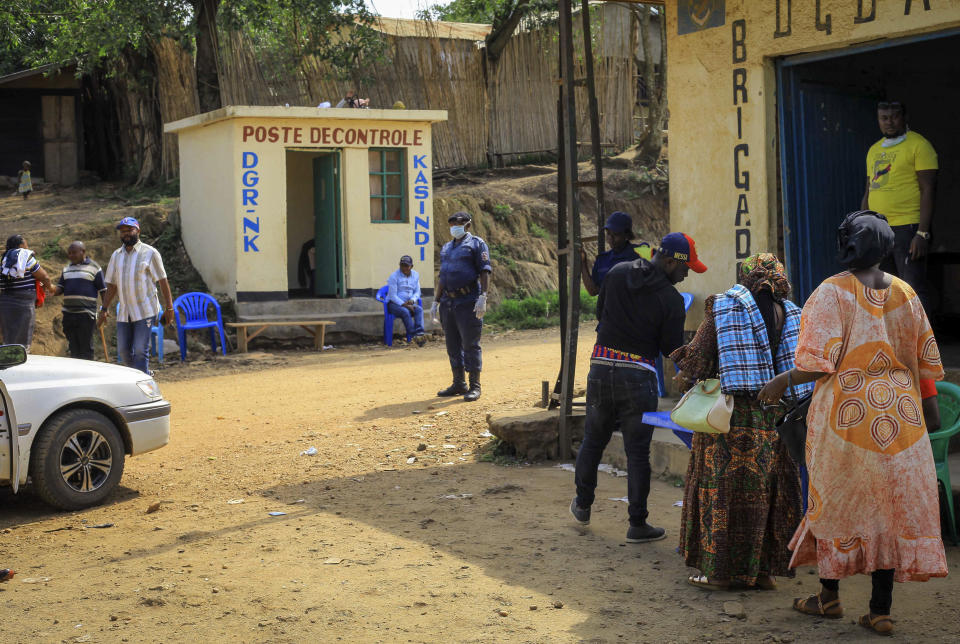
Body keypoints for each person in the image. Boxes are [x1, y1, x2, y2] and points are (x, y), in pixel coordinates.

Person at [758, 211, 945, 637]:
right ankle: (880, 610)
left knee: (835, 504)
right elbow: (925, 363)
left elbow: (814, 364)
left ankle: (828, 597)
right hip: (902, 423)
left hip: (846, 422)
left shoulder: (831, 293)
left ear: (846, 245)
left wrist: (780, 381)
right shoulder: (905, 292)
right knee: (888, 512)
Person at [672, 253, 812, 591]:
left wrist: (683, 376)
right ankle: (762, 573)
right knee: (769, 495)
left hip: (731, 420)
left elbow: (700, 358)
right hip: (775, 419)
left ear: (746, 277)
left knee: (723, 496)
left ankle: (720, 574)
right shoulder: (793, 313)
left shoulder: (724, 306)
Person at [570, 232, 706, 543]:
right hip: (639, 378)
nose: (685, 276)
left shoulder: (617, 274)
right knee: (637, 453)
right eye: (685, 269)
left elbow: (599, 314)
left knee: (593, 440)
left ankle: (582, 505)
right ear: (670, 261)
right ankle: (637, 524)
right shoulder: (671, 300)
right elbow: (670, 348)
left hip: (601, 369)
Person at [860, 101, 936, 312]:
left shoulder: (919, 145)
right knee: (885, 290)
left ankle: (922, 342)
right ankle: (895, 341)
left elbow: (928, 190)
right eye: (884, 118)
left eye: (894, 117)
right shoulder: (874, 150)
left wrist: (922, 233)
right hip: (879, 230)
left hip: (908, 228)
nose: (889, 122)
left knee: (912, 289)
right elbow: (869, 190)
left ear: (905, 117)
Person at [96, 217, 175, 374]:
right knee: (124, 351)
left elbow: (162, 281)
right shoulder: (116, 255)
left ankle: (141, 384)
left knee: (140, 350)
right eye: (123, 231)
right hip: (125, 312)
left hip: (145, 310)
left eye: (129, 230)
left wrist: (169, 308)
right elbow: (111, 285)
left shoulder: (150, 253)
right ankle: (144, 374)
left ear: (138, 231)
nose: (126, 234)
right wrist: (104, 309)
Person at [432, 211, 492, 402]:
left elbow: (485, 271)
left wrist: (483, 296)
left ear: (467, 224)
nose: (453, 227)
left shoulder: (476, 244)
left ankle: (475, 386)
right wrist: (436, 300)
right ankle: (459, 383)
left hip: (468, 301)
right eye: (450, 224)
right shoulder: (447, 247)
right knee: (452, 345)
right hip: (448, 302)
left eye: (457, 223)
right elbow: (443, 276)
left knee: (470, 345)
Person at [53, 241, 106, 360]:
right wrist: (50, 289)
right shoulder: (66, 269)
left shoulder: (94, 268)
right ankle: (75, 374)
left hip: (86, 314)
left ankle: (87, 374)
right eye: (69, 253)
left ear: (83, 252)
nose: (71, 255)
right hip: (68, 314)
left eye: (74, 253)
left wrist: (104, 310)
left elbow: (103, 290)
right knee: (73, 347)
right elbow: (60, 289)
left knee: (86, 347)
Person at [579, 211, 652, 296]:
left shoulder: (639, 255)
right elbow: (593, 291)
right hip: (609, 309)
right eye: (608, 234)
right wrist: (583, 263)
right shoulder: (602, 260)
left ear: (627, 235)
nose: (611, 238)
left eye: (616, 234)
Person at [0, 235, 53, 351]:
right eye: (26, 245)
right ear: (20, 246)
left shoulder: (3, 261)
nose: (28, 248)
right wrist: (51, 288)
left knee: (8, 339)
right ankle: (20, 361)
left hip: (5, 303)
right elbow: (45, 278)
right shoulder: (26, 257)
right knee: (22, 342)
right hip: (24, 303)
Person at [386, 254, 425, 346]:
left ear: (411, 266)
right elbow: (392, 296)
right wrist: (405, 305)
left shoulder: (415, 275)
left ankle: (419, 334)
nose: (404, 268)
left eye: (406, 266)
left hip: (409, 303)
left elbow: (417, 292)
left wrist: (412, 300)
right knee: (405, 312)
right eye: (402, 265)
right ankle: (413, 336)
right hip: (394, 304)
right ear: (399, 265)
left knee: (419, 309)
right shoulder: (394, 276)